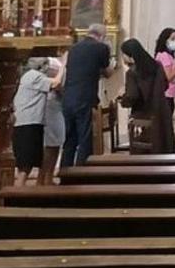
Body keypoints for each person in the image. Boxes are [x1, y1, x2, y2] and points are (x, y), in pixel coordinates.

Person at [61, 24, 114, 167]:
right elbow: (107, 72)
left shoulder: (73, 48)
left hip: (68, 98)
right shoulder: (101, 48)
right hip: (85, 98)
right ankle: (81, 174)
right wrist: (112, 66)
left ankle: (65, 173)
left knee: (70, 139)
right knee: (85, 138)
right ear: (101, 36)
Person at [13, 57, 66, 185]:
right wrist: (63, 66)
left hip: (30, 123)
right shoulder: (35, 76)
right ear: (43, 66)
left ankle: (20, 193)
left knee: (27, 165)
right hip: (28, 123)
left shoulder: (30, 75)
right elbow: (56, 83)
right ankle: (17, 196)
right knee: (25, 166)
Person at [121, 38, 175, 154]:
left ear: (129, 54)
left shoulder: (132, 72)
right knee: (162, 148)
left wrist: (123, 100)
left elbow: (132, 96)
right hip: (161, 113)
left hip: (142, 117)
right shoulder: (158, 66)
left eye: (123, 54)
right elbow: (165, 85)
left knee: (143, 153)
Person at [39, 57, 66, 185]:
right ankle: (42, 177)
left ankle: (48, 176)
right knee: (50, 144)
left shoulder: (59, 61)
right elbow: (56, 84)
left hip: (58, 104)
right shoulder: (50, 62)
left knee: (55, 144)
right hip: (51, 104)